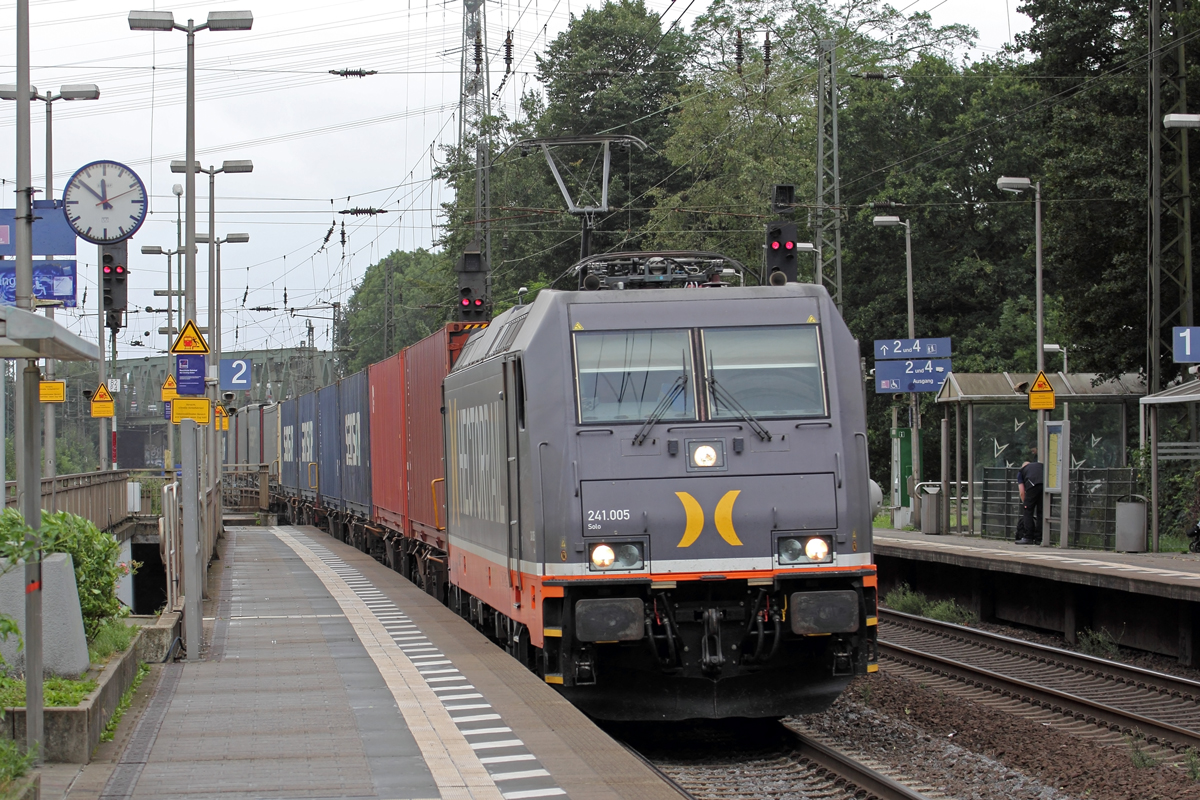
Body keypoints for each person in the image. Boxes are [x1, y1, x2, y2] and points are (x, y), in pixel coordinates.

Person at [1016, 452, 1044, 545]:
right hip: (1045, 486)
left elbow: (1022, 491)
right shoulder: (1040, 466)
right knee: (1041, 512)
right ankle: (1039, 538)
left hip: (1032, 486)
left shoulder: (1021, 471)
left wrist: (1026, 503)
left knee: (1028, 511)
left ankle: (1028, 537)